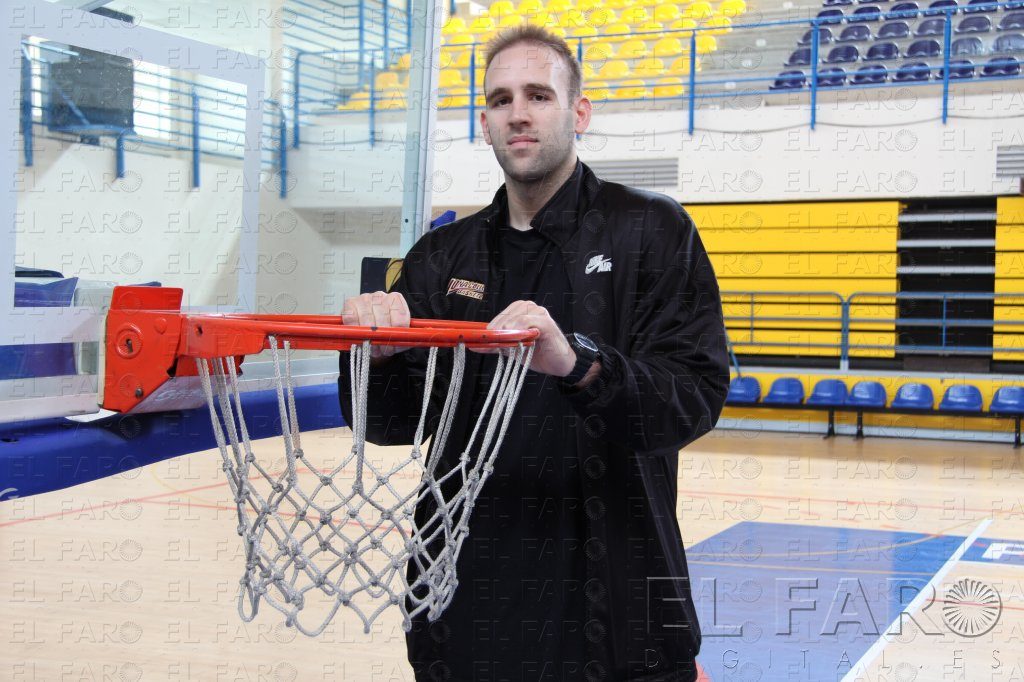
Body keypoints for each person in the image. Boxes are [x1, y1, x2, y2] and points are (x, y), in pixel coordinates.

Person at [339, 25, 729, 682]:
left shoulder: (652, 231)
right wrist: (374, 359)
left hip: (618, 609)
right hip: (467, 610)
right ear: (485, 124)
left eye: (538, 95)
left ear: (579, 113)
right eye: (501, 100)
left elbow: (691, 399)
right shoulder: (442, 256)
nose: (518, 113)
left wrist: (580, 365)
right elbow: (390, 424)